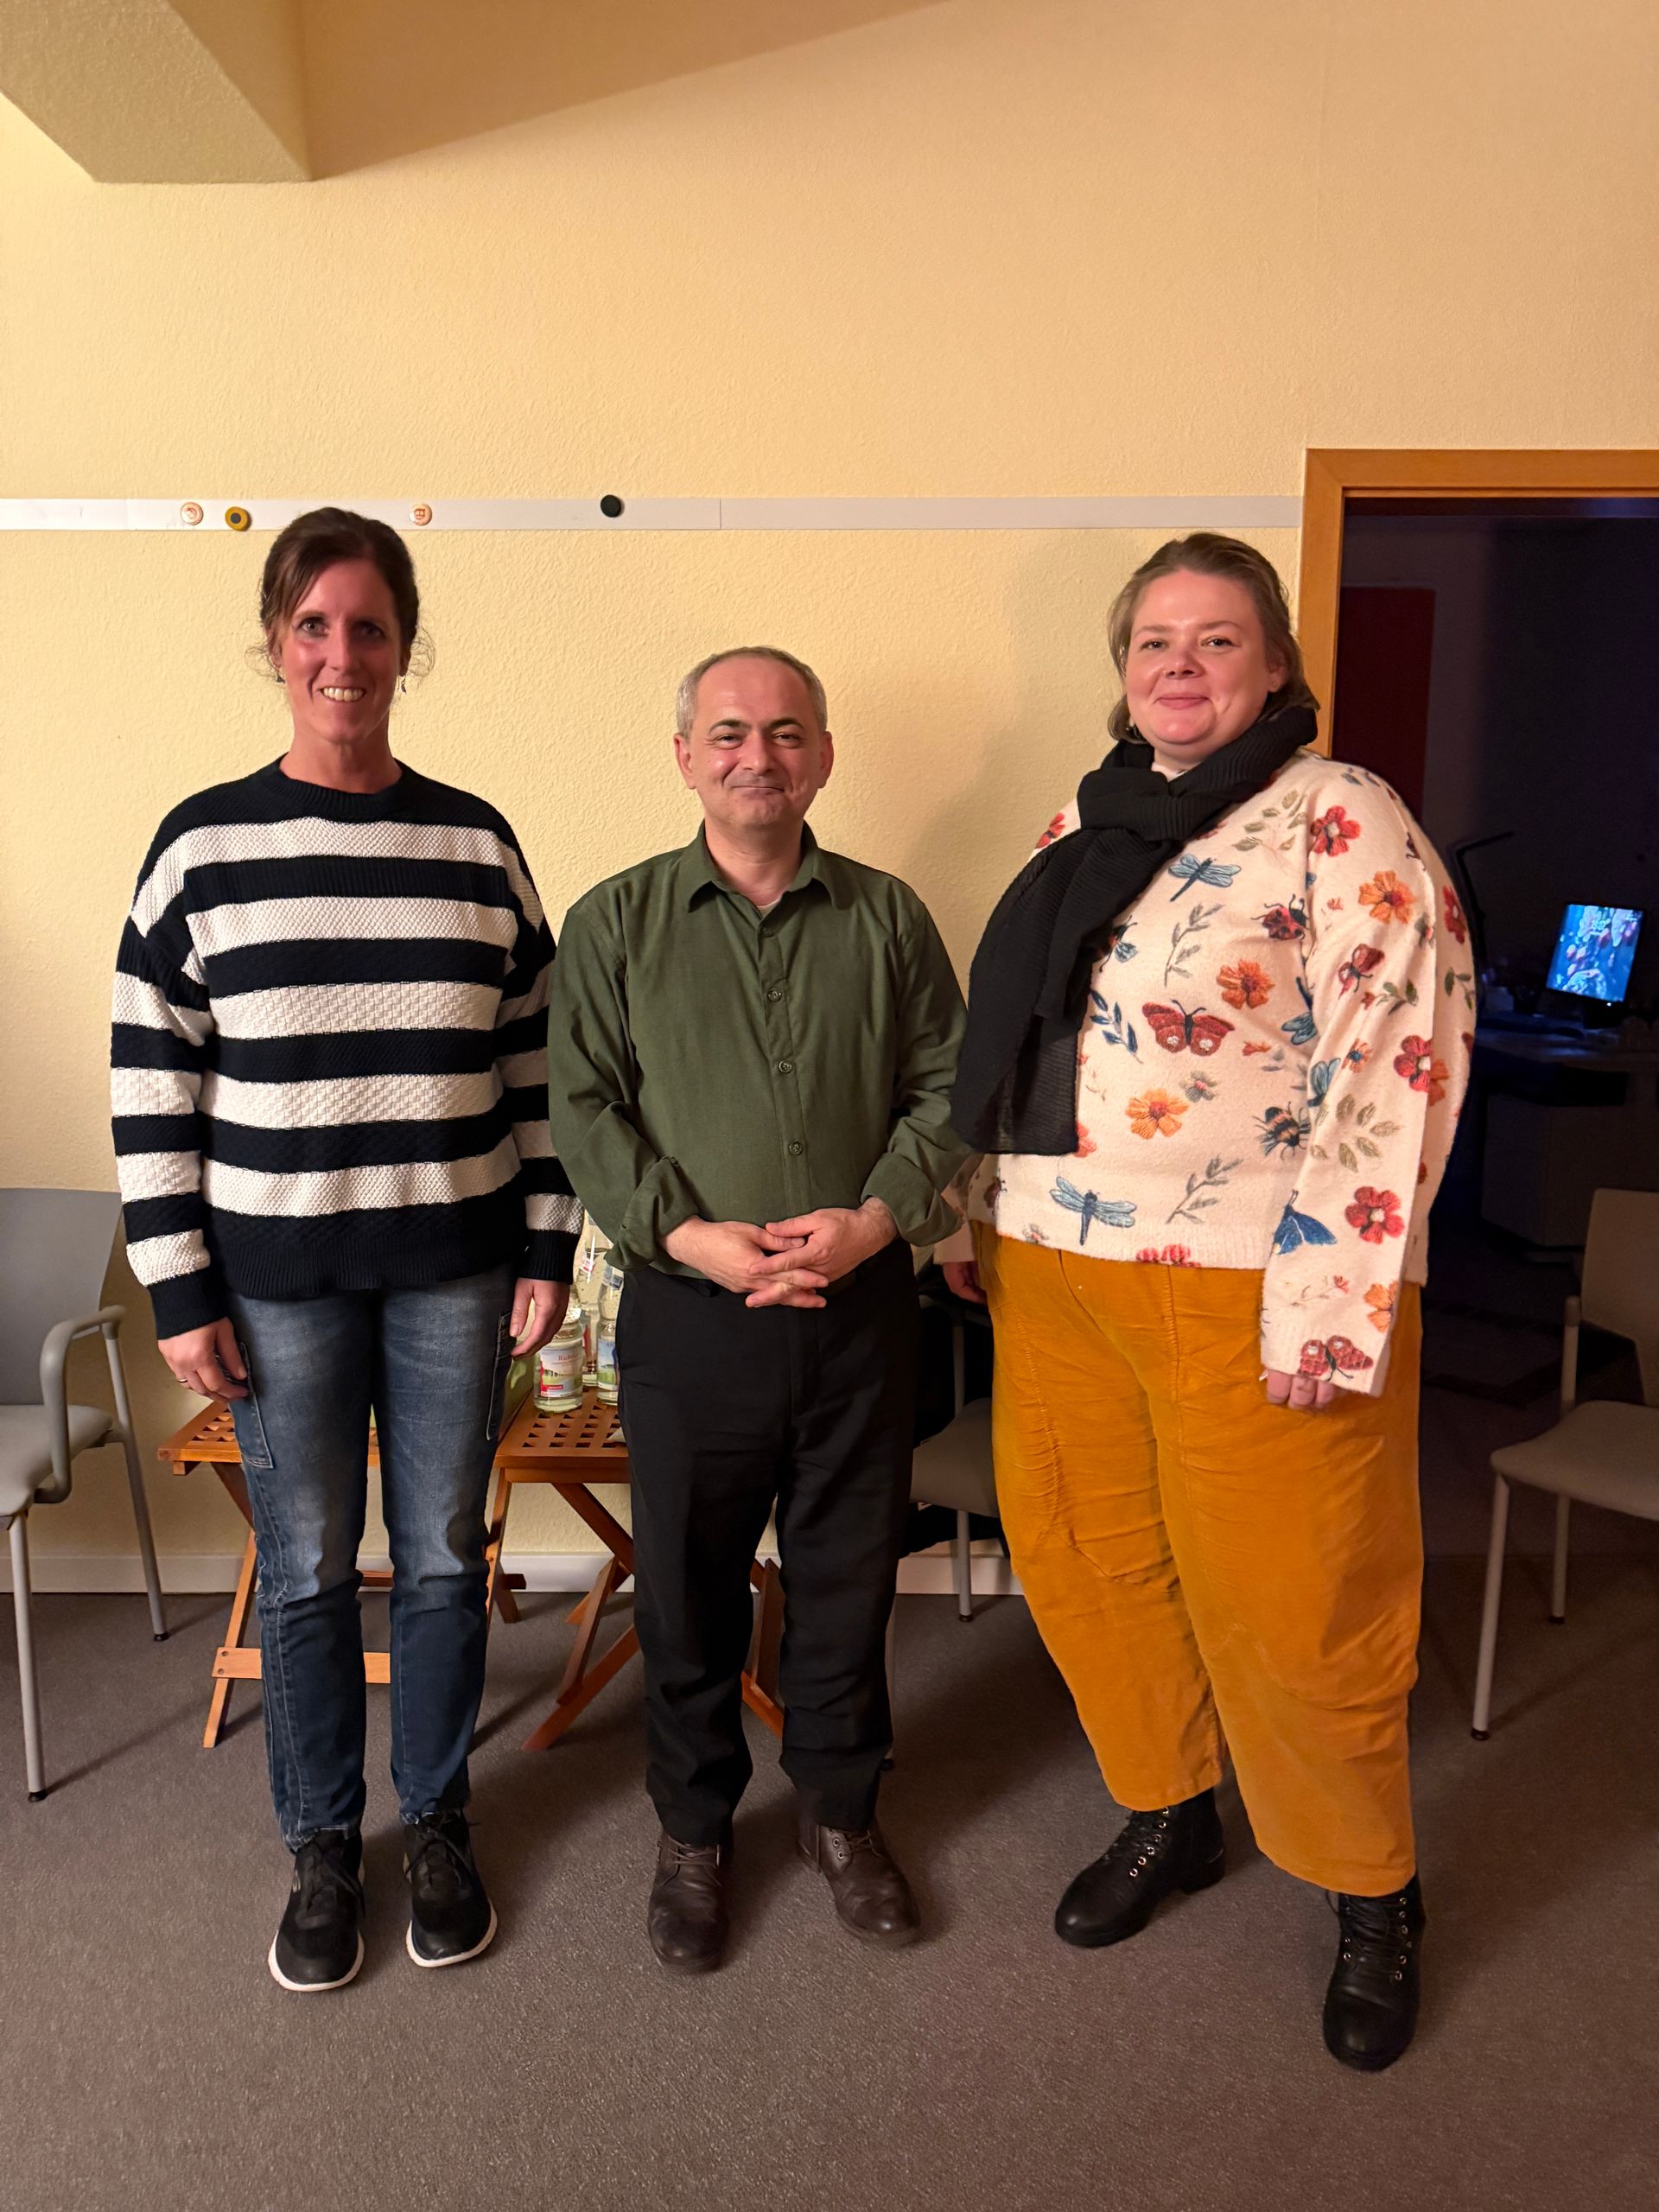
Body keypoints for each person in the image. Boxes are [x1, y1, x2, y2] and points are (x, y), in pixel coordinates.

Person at [944, 534, 1471, 2072]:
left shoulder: (1340, 816)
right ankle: (1168, 1809)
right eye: (1154, 642)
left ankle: (1372, 1891)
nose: (1180, 667)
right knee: (1088, 1558)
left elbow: (1398, 1060)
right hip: (1057, 1265)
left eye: (1217, 640)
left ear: (1275, 666)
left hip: (1253, 1282)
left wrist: (1334, 1302)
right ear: (1124, 672)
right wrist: (976, 1209)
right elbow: (1033, 1037)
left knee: (1300, 1604)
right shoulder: (1087, 815)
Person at [111, 508, 580, 1992]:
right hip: (275, 1284)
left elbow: (539, 1063)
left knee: (441, 1560)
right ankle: (323, 1843)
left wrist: (549, 1247)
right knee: (309, 1570)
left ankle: (435, 1821)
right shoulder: (201, 847)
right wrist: (178, 1287)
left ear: (404, 648)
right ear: (275, 643)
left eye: (369, 626)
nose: (341, 653)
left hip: (457, 1267)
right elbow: (151, 1079)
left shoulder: (476, 842)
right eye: (313, 625)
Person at [546, 646, 969, 1972]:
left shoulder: (890, 918)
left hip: (860, 1315)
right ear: (686, 757)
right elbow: (583, 1112)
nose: (758, 756)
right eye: (729, 732)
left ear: (822, 756)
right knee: (686, 1597)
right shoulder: (614, 924)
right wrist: (690, 1238)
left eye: (787, 732)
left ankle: (841, 1816)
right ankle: (694, 1833)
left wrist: (874, 1223)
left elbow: (948, 1089)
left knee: (844, 1586)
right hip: (693, 1323)